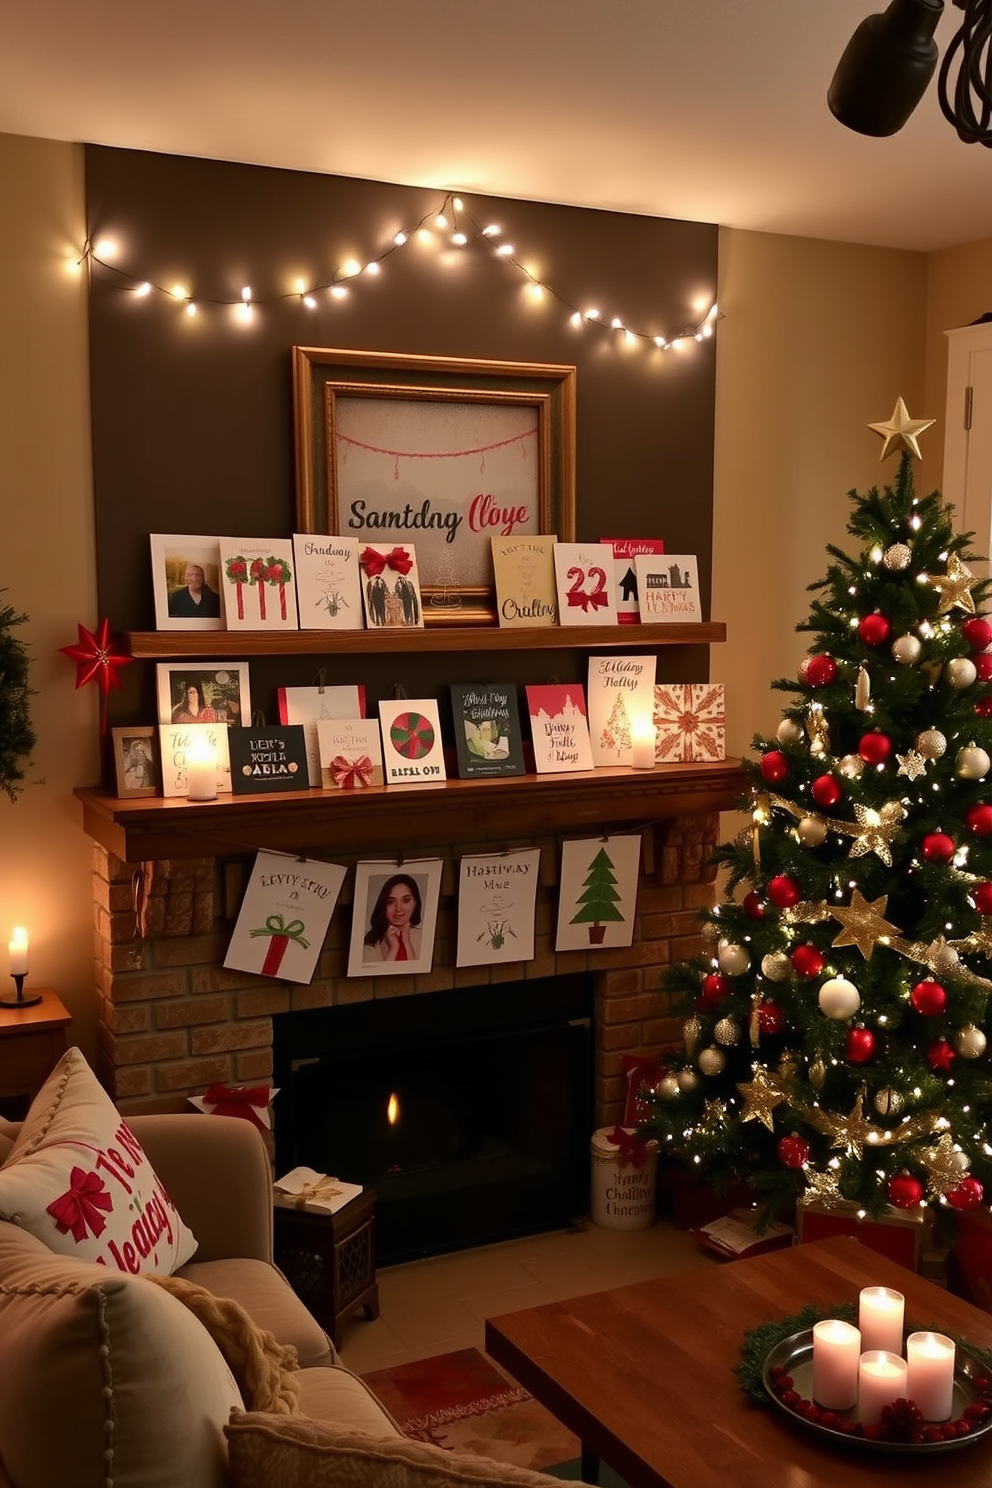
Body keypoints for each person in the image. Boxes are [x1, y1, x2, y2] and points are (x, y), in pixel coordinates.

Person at [362, 873, 424, 962]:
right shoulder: (370, 945)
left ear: (415, 903)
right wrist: (393, 949)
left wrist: (406, 942)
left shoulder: (423, 937)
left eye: (406, 900)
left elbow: (417, 974)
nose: (398, 909)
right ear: (383, 905)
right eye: (391, 902)